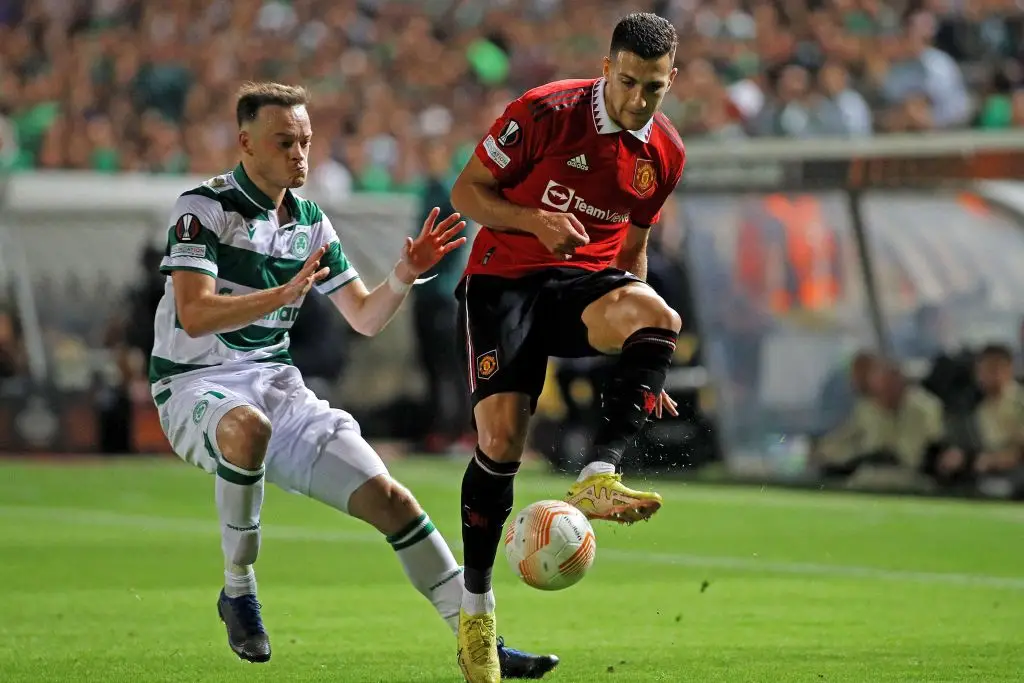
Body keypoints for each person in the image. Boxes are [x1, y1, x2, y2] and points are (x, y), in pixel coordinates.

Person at [149, 81, 558, 679]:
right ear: (246, 143)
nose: (299, 154)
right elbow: (193, 312)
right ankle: (238, 588)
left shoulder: (311, 222)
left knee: (394, 502)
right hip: (194, 382)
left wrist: (405, 273)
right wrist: (279, 296)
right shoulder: (203, 209)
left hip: (276, 386)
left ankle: (482, 641)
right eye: (284, 142)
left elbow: (364, 316)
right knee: (246, 430)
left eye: (305, 141)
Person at [448, 13, 686, 682]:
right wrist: (534, 220)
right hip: (504, 283)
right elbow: (466, 192)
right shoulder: (545, 111)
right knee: (501, 443)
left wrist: (642, 357)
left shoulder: (664, 154)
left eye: (653, 88)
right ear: (606, 68)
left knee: (661, 315)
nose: (638, 99)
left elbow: (633, 253)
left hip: (580, 288)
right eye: (628, 82)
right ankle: (476, 614)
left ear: (672, 80)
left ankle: (597, 476)